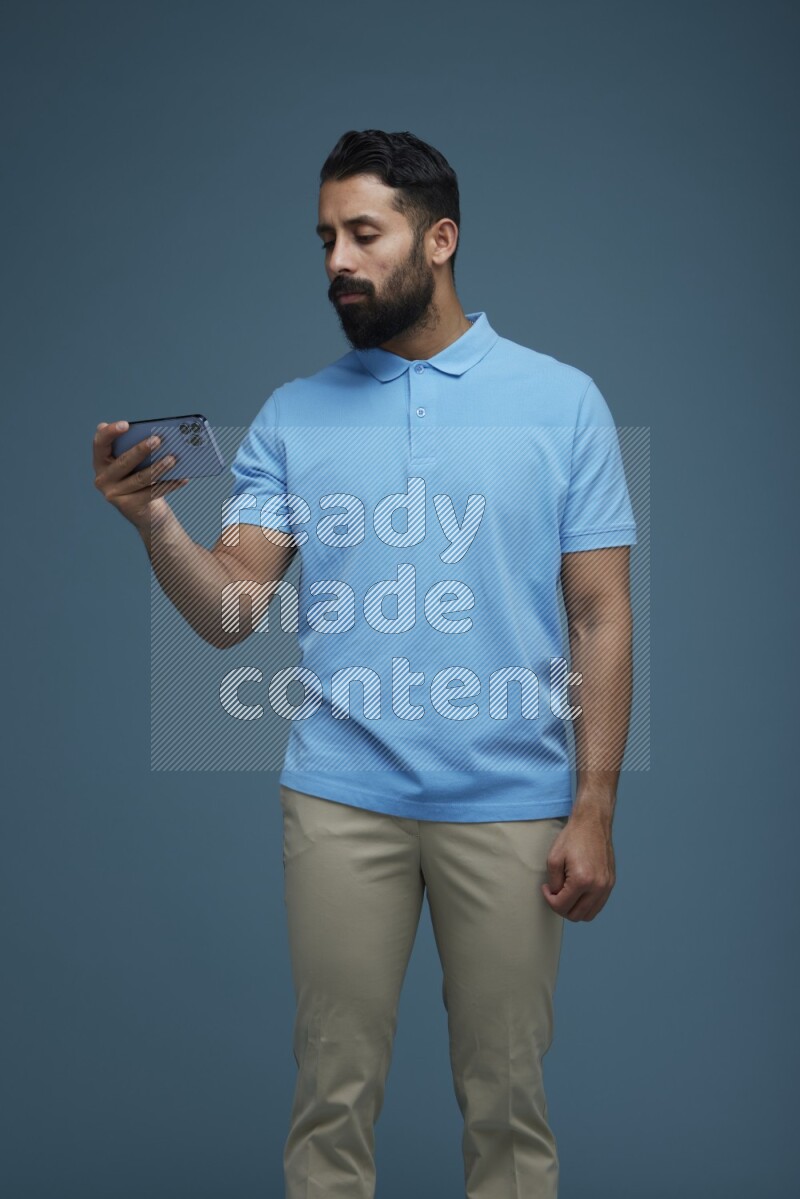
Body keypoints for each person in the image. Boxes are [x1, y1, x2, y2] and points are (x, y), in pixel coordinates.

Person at [93, 128, 637, 1199]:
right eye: (324, 237)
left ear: (437, 240)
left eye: (362, 232)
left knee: (508, 1104)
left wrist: (593, 806)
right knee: (332, 1096)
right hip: (342, 801)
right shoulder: (294, 415)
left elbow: (598, 610)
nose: (337, 259)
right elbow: (231, 610)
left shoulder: (560, 400)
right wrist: (156, 522)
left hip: (513, 802)